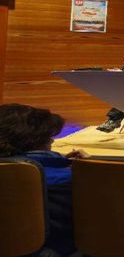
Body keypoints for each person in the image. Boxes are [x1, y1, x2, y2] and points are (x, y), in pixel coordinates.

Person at [0, 103, 88, 257]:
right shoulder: (70, 179)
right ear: (39, 142)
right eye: (49, 138)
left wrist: (57, 160)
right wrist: (90, 169)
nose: (52, 142)